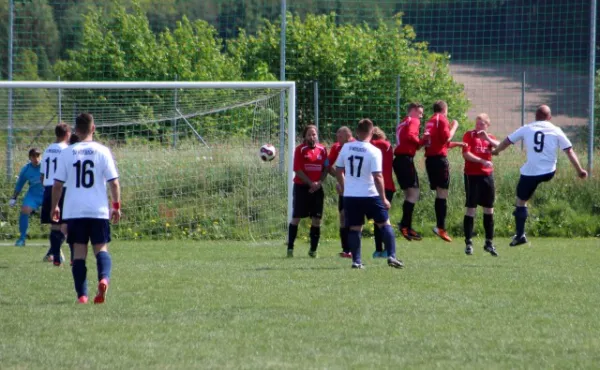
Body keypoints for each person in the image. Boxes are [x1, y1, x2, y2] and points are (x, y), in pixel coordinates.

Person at [492, 105, 587, 246]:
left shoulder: (527, 128)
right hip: (549, 172)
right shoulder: (556, 130)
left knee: (520, 201)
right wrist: (580, 170)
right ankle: (520, 234)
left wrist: (496, 151)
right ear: (549, 118)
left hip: (531, 172)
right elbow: (569, 151)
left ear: (535, 117)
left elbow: (507, 142)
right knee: (527, 193)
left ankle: (520, 235)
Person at [51, 113, 121, 304]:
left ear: (76, 130)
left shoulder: (67, 152)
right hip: (98, 211)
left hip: (75, 211)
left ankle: (82, 296)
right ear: (93, 128)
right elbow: (114, 183)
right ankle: (104, 279)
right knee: (101, 249)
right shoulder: (103, 151)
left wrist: (55, 206)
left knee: (79, 253)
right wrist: (115, 206)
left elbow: (57, 185)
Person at [335, 118, 403, 269]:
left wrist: (343, 185)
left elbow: (338, 169)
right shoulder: (374, 151)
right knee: (384, 224)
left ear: (357, 132)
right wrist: (384, 198)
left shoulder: (346, 148)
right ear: (372, 132)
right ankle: (391, 256)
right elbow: (378, 176)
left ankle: (356, 261)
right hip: (370, 194)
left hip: (351, 195)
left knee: (354, 228)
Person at [422, 100, 464, 242]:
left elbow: (441, 143)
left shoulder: (430, 121)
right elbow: (447, 137)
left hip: (430, 160)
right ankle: (440, 227)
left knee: (440, 193)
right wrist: (455, 126)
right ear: (444, 109)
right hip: (439, 161)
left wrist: (458, 144)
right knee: (443, 193)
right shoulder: (442, 119)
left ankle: (440, 226)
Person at [287, 124, 328, 258]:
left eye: (314, 134)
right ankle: (290, 248)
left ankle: (313, 250)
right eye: (309, 134)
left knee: (316, 219)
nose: (312, 137)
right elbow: (297, 170)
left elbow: (326, 168)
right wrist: (311, 183)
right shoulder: (300, 150)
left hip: (317, 188)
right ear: (304, 136)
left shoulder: (323, 149)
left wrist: (319, 183)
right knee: (296, 218)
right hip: (302, 188)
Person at [461, 113, 499, 256]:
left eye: (481, 124)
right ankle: (469, 242)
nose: (478, 127)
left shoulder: (490, 138)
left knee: (489, 209)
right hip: (472, 176)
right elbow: (466, 154)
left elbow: (500, 147)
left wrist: (487, 138)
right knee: (471, 209)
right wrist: (482, 161)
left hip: (487, 176)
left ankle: (489, 243)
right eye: (477, 124)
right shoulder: (469, 135)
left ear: (487, 126)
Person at [40, 123, 71, 265]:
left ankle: (54, 254)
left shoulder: (47, 150)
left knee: (55, 224)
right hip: (62, 188)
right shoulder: (66, 150)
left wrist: (46, 187)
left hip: (47, 187)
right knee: (67, 223)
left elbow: (42, 175)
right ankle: (55, 252)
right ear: (67, 134)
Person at [394, 102, 425, 241]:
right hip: (405, 160)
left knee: (409, 194)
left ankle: (407, 226)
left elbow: (407, 138)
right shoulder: (414, 120)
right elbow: (412, 136)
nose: (421, 116)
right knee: (414, 193)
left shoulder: (402, 122)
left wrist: (417, 145)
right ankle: (405, 225)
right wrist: (423, 141)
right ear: (412, 111)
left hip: (399, 160)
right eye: (420, 112)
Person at [328, 126, 354, 258]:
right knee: (343, 216)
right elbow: (327, 164)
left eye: (340, 136)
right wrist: (338, 179)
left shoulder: (357, 146)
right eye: (337, 136)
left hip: (357, 188)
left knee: (354, 218)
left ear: (349, 136)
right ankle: (346, 249)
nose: (338, 139)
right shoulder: (336, 147)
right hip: (343, 189)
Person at [9, 148, 44, 246]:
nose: (36, 158)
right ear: (30, 158)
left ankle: (61, 237)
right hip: (33, 195)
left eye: (38, 156)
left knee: (54, 214)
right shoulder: (26, 169)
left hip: (47, 194)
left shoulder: (46, 166)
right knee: (25, 210)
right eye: (33, 156)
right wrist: (14, 197)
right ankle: (22, 239)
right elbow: (20, 184)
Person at [370, 126, 396, 258]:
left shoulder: (369, 145)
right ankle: (387, 249)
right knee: (384, 219)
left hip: (374, 186)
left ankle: (378, 250)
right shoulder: (387, 145)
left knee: (377, 220)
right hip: (388, 186)